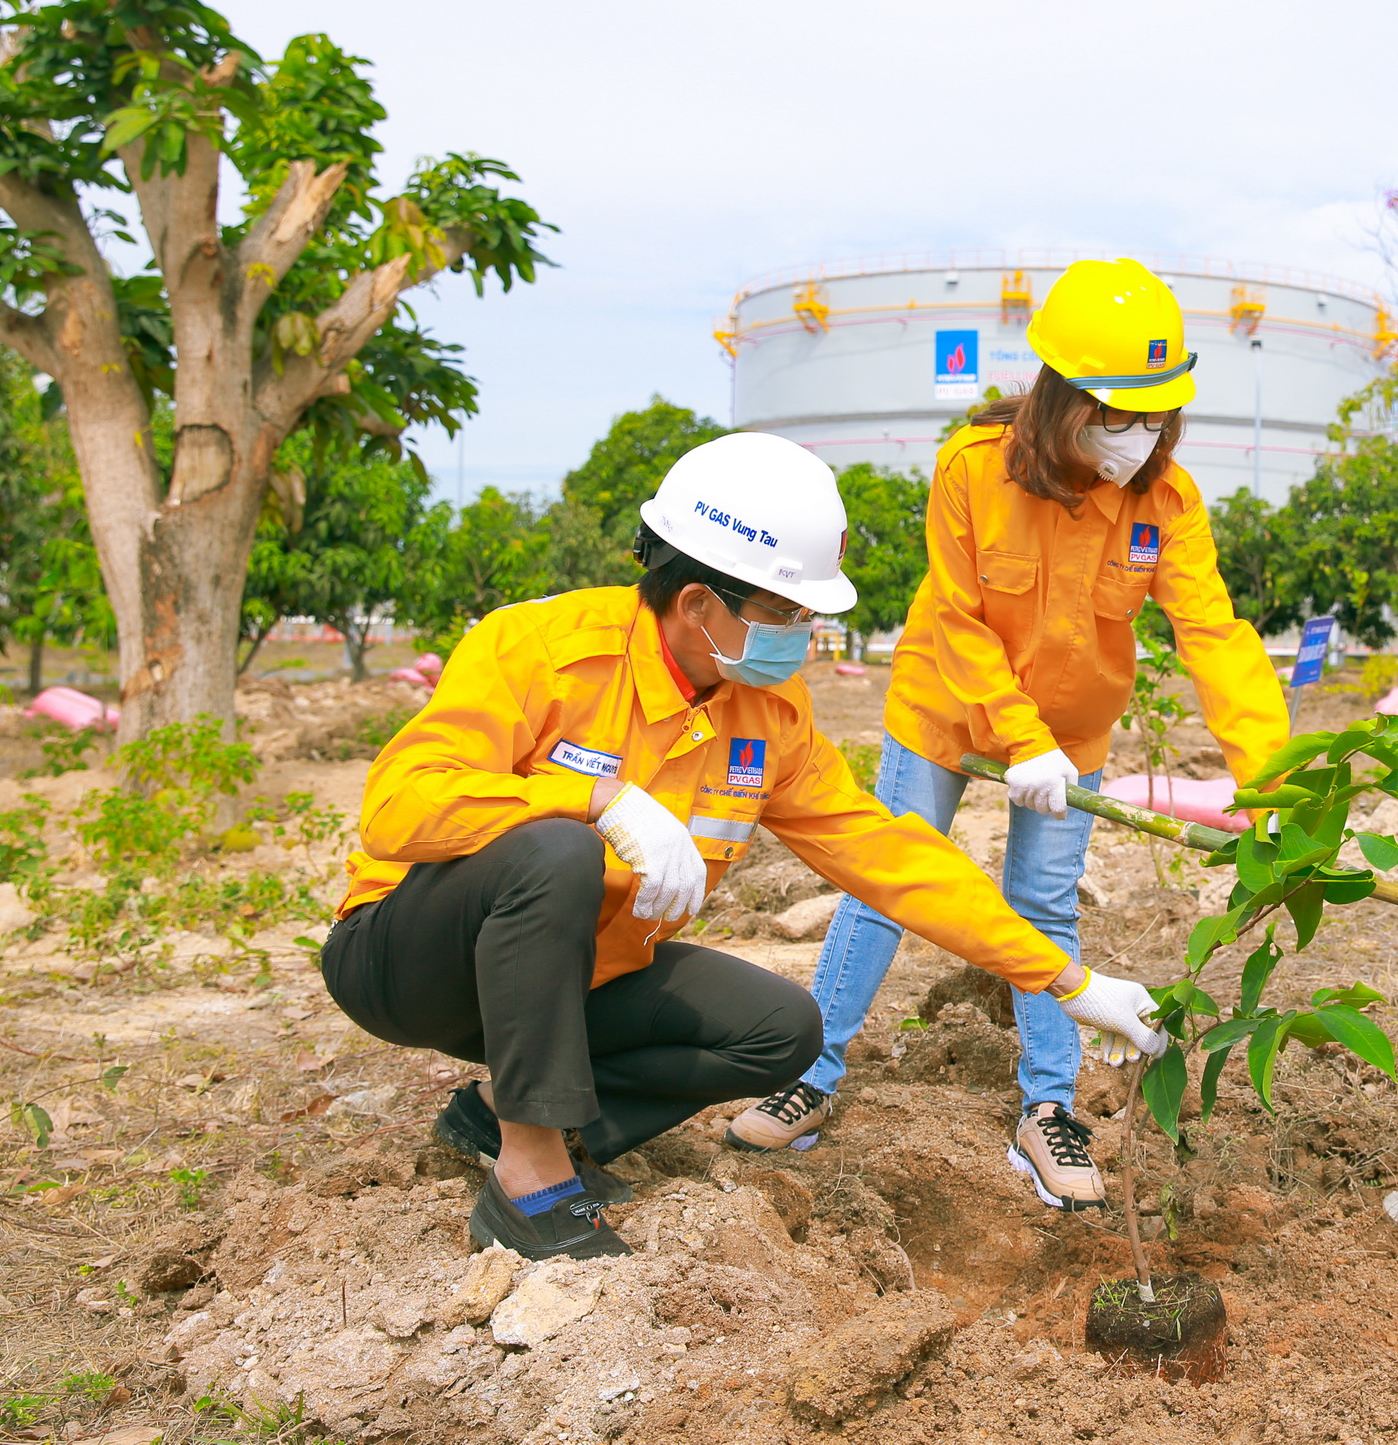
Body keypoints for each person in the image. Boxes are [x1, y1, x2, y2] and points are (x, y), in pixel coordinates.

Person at [320, 433, 1169, 1261]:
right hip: (412, 961)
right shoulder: (543, 650)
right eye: (784, 611)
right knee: (557, 850)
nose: (800, 632)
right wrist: (594, 798)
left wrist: (1068, 979)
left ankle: (515, 1117)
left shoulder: (768, 717)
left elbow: (890, 856)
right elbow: (398, 809)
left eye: (807, 613)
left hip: (569, 984)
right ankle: (530, 1177)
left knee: (780, 1031)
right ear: (696, 602)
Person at [725, 258, 1289, 1213]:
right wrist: (1014, 735)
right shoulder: (971, 470)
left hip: (1074, 737)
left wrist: (1271, 787)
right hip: (949, 710)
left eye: (1156, 415)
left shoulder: (1167, 501)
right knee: (885, 885)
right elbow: (956, 618)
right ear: (1064, 397)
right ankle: (812, 1071)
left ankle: (1047, 1109)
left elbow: (1216, 637)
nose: (1138, 436)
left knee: (1043, 908)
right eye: (1119, 413)